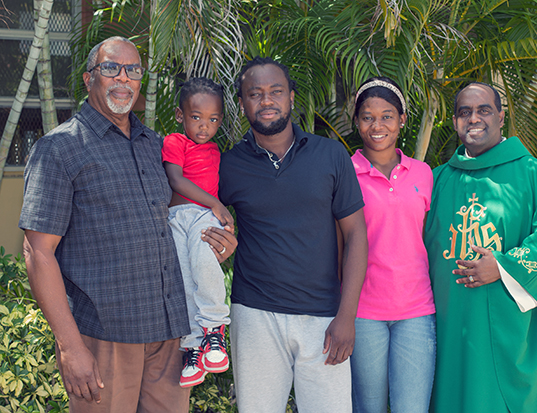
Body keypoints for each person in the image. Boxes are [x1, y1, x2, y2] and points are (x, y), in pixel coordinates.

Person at [18, 36, 236, 412]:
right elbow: (38, 253)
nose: (123, 78)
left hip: (170, 337)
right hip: (105, 338)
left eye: (133, 70)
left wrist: (215, 245)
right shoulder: (59, 149)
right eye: (110, 68)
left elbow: (177, 223)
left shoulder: (157, 146)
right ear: (89, 79)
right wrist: (70, 347)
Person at [218, 56, 368, 413]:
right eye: (255, 94)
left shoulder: (330, 154)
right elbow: (200, 220)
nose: (266, 101)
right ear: (242, 104)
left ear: (291, 98)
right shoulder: (229, 165)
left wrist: (346, 316)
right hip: (255, 315)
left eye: (276, 92)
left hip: (325, 317)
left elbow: (357, 236)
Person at [424, 82, 537, 413]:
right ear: (453, 121)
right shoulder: (435, 181)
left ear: (501, 117)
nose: (474, 118)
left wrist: (504, 267)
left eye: (483, 110)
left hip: (512, 336)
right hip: (450, 332)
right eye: (465, 112)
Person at [349, 77, 436, 413]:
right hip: (363, 311)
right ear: (357, 122)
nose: (377, 125)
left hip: (416, 310)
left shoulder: (424, 173)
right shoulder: (344, 172)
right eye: (368, 116)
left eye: (387, 115)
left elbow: (428, 237)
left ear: (402, 120)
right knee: (368, 408)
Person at [162, 77, 234, 388]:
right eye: (196, 117)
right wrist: (216, 203)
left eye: (213, 119)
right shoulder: (174, 142)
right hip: (177, 217)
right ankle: (193, 347)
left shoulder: (217, 150)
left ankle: (214, 331)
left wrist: (215, 210)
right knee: (184, 278)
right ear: (180, 115)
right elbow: (176, 181)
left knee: (204, 264)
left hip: (204, 217)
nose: (204, 126)